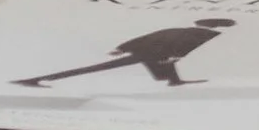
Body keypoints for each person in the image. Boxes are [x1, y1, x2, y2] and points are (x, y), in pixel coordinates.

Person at [15, 19, 233, 90]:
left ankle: (173, 81)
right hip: (153, 54)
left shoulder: (182, 29)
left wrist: (123, 47)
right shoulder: (204, 35)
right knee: (97, 69)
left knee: (98, 67)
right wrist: (175, 56)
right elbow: (183, 47)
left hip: (147, 51)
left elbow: (151, 36)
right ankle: (37, 79)